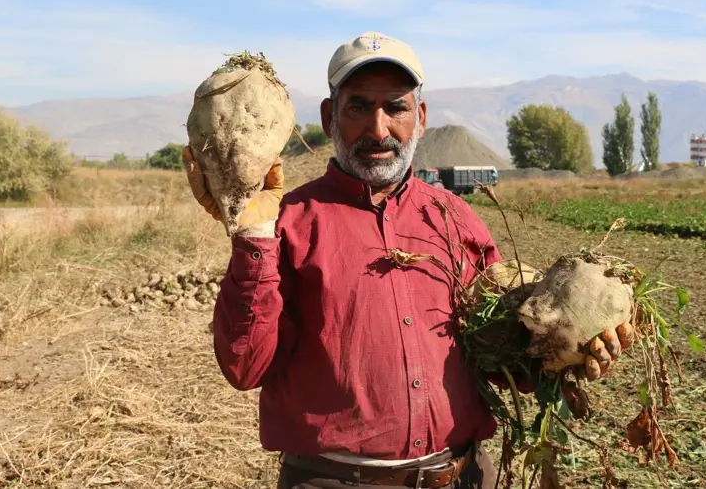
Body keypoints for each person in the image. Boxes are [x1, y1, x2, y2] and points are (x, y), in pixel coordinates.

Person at [181, 32, 632, 489]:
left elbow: (500, 359)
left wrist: (567, 351)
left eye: (395, 107)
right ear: (328, 116)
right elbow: (244, 368)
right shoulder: (287, 224)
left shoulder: (457, 220)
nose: (378, 130)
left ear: (420, 117)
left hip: (464, 476)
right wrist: (253, 235)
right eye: (358, 106)